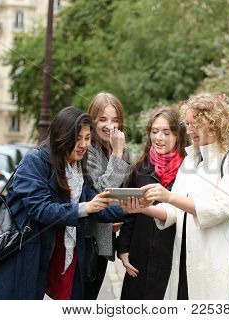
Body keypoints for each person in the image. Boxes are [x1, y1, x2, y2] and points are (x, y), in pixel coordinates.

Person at [0, 106, 126, 300]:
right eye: (78, 138)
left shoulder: (75, 165)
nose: (83, 144)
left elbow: (96, 203)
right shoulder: (35, 161)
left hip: (52, 255)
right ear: (62, 136)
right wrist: (84, 208)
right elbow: (40, 209)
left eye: (87, 138)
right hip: (21, 256)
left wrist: (129, 208)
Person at [122, 93, 229, 299]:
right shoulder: (192, 158)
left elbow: (218, 209)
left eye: (196, 124)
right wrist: (142, 208)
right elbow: (173, 211)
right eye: (189, 124)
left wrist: (169, 197)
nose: (190, 129)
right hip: (183, 263)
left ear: (214, 123)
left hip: (214, 264)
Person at [116, 107, 186, 299]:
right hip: (140, 253)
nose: (159, 138)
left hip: (172, 255)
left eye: (166, 132)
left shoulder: (188, 171)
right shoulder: (140, 168)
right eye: (154, 132)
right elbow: (130, 213)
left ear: (178, 136)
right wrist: (123, 249)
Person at [85, 92, 131, 299]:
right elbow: (103, 192)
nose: (109, 126)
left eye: (115, 120)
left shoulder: (122, 149)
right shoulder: (86, 150)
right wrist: (117, 153)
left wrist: (120, 216)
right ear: (92, 120)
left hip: (106, 238)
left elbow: (125, 190)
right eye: (102, 119)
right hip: (86, 240)